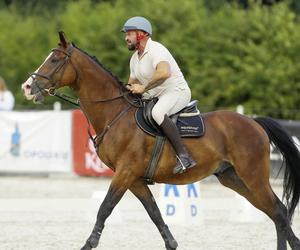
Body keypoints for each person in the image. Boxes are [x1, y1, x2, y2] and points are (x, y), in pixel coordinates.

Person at [122, 16, 196, 174]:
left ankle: (184, 156)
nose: (126, 38)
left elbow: (164, 73)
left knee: (157, 113)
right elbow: (130, 84)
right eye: (125, 34)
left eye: (129, 34)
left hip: (176, 91)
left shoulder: (156, 49)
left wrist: (143, 88)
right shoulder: (134, 59)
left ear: (142, 34)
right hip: (156, 96)